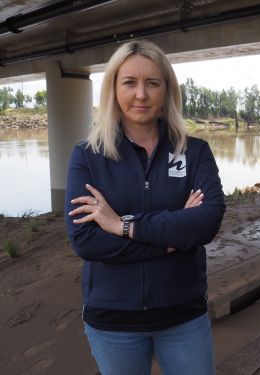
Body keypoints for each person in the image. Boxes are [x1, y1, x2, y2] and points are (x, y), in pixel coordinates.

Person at [64, 39, 225, 375]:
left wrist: (122, 226)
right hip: (113, 319)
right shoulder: (88, 155)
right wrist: (173, 238)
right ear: (113, 88)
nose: (141, 94)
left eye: (152, 83)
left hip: (183, 314)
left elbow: (207, 222)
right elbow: (86, 241)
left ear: (167, 90)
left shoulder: (194, 151)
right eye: (130, 83)